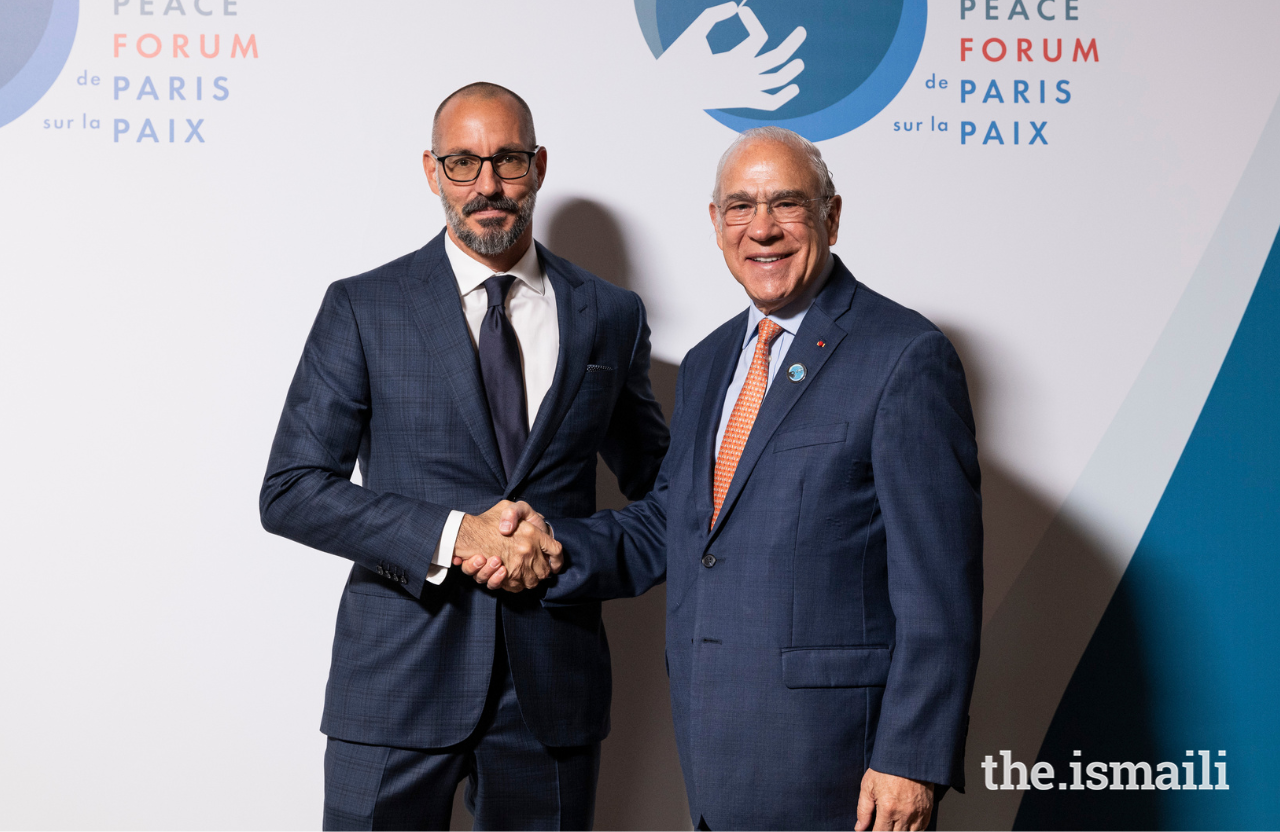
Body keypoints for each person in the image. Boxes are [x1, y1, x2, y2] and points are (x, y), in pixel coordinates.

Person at [467, 126, 983, 830]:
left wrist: (913, 759)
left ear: (831, 216)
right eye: (740, 206)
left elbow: (940, 590)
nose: (762, 229)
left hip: (843, 766)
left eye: (787, 204)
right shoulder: (712, 361)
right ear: (715, 224)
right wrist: (546, 546)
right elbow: (675, 523)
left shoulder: (905, 357)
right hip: (716, 752)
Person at [260, 81, 669, 831]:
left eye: (508, 160)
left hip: (552, 686)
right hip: (396, 676)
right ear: (431, 171)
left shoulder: (610, 315)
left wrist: (563, 551)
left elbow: (668, 498)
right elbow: (291, 489)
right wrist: (456, 536)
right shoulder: (364, 307)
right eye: (462, 163)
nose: (487, 185)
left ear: (539, 165)